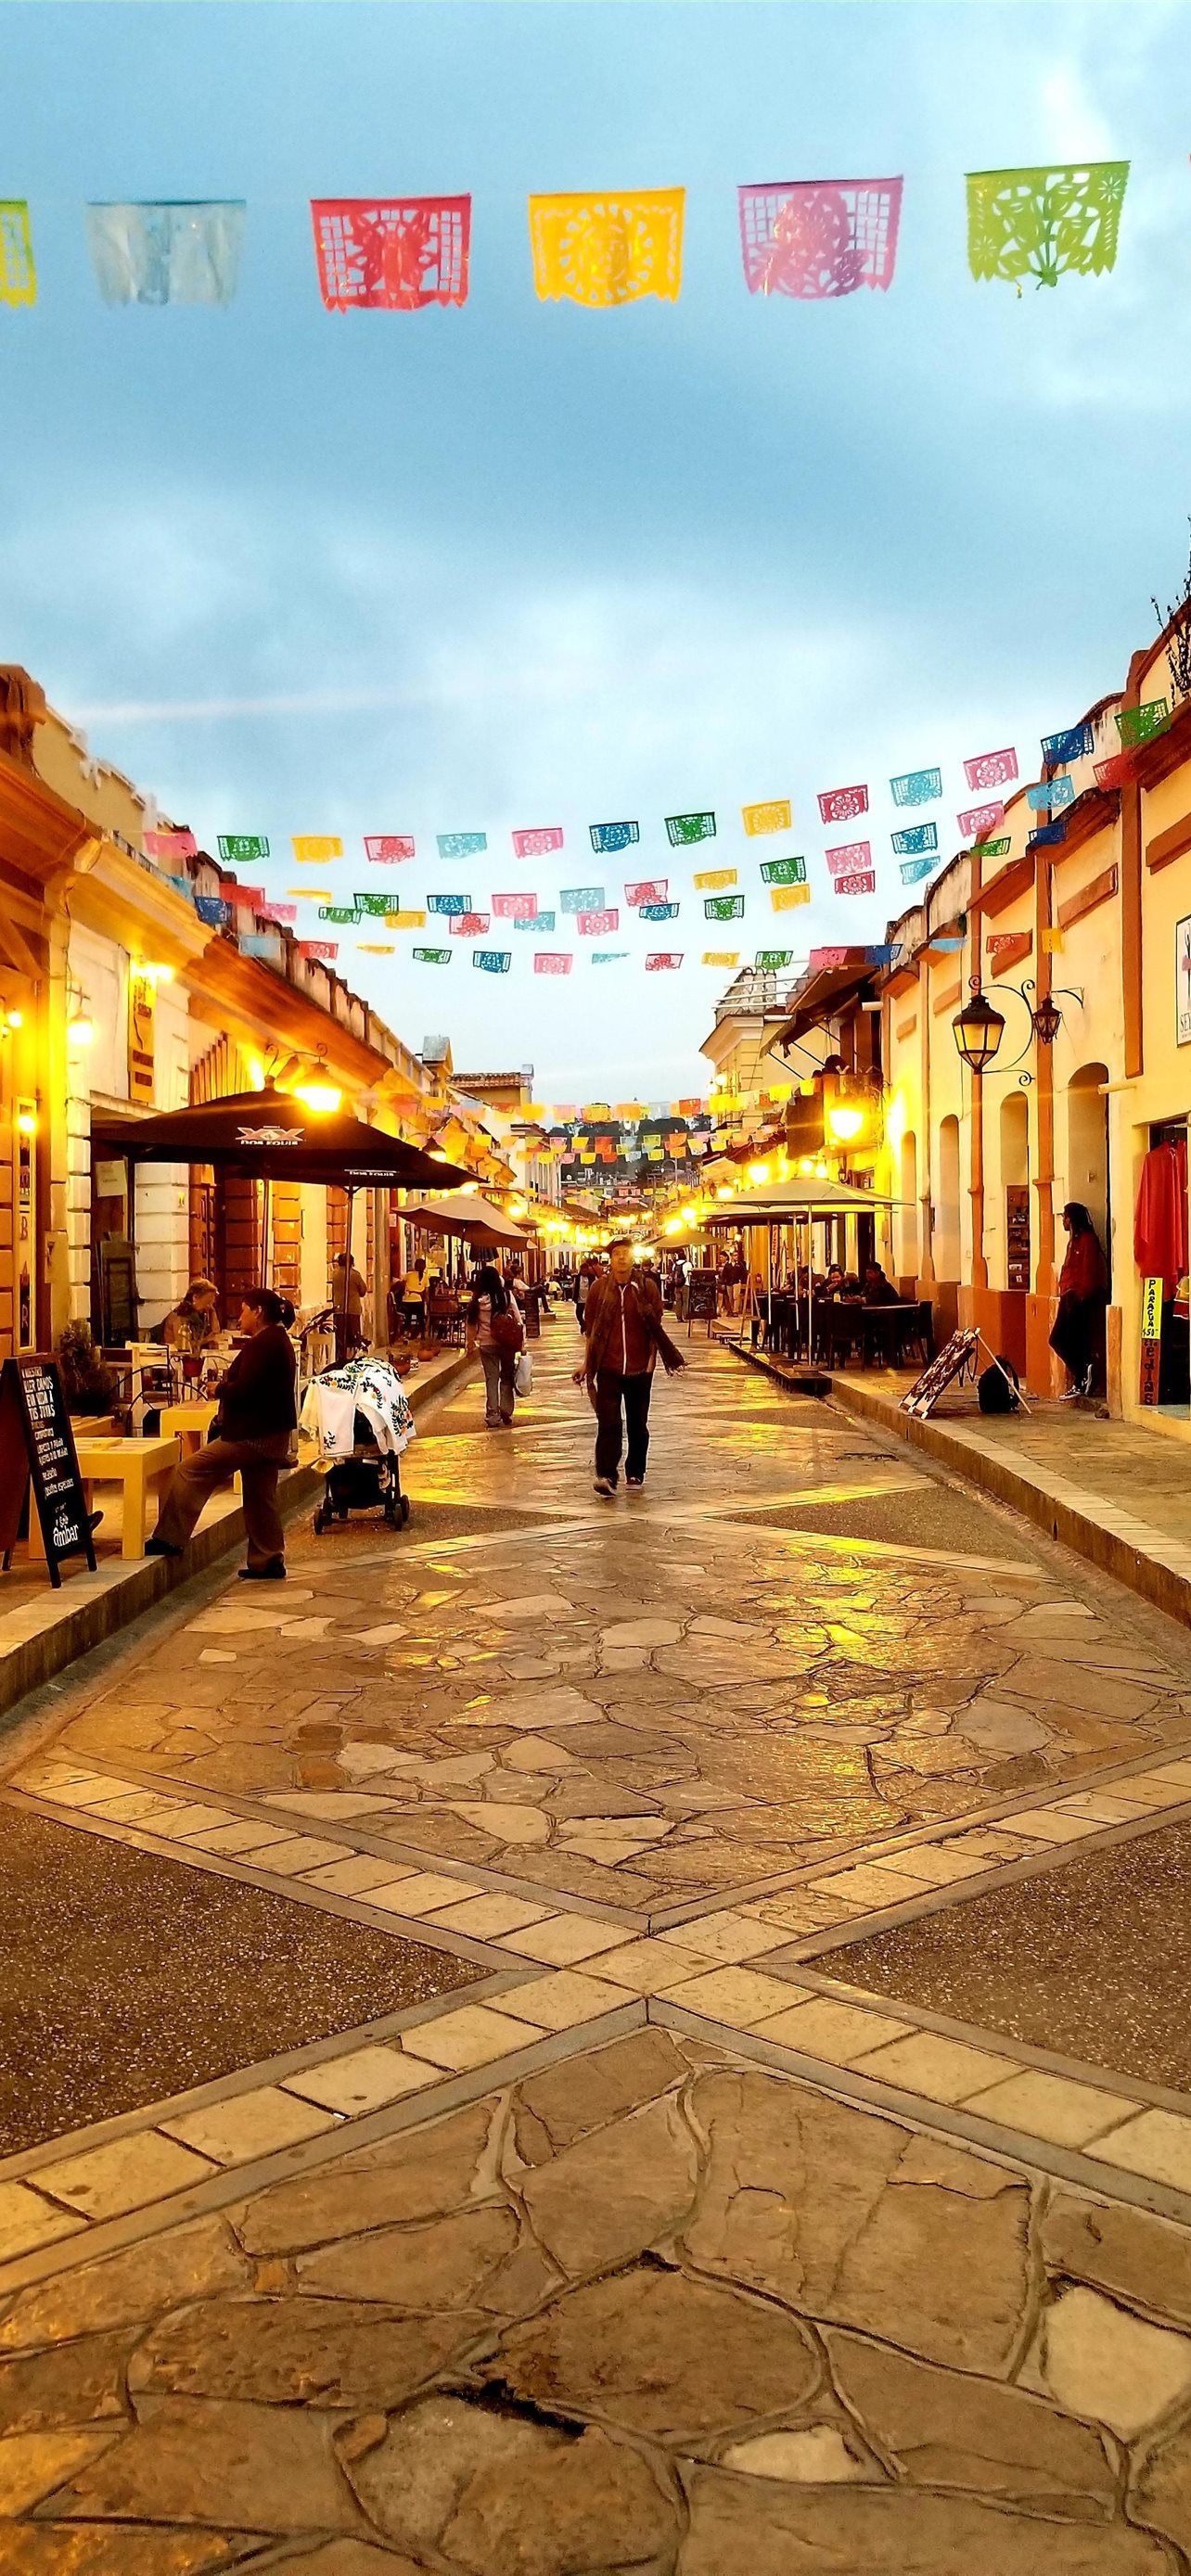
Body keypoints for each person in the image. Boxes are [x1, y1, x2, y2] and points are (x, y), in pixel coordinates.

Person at [147, 1287, 297, 1579]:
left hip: (252, 1437)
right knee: (260, 1498)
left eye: (243, 1310)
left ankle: (169, 1538)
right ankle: (268, 1560)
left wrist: (220, 1389)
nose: (239, 1317)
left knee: (190, 1469)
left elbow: (248, 1390)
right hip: (273, 1435)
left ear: (258, 1312)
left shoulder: (263, 1344)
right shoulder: (279, 1341)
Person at [574, 1238, 685, 1498]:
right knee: (608, 1422)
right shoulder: (599, 1289)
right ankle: (606, 1475)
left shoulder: (646, 1287)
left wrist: (650, 1362)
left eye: (625, 1253)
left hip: (639, 1368)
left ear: (632, 1258)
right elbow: (592, 1331)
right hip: (608, 1367)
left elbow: (655, 1327)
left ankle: (635, 1470)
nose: (621, 1258)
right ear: (610, 1260)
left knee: (637, 1423)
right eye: (616, 1254)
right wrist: (586, 1363)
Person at [1051, 1202, 1109, 1397]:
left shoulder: (1087, 1241)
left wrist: (1080, 1296)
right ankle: (1083, 1372)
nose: (1063, 1221)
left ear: (1073, 1218)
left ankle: (1083, 1374)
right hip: (1068, 1297)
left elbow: (1089, 1271)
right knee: (1060, 1339)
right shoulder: (1073, 1241)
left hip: (1078, 1299)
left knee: (1064, 1338)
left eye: (1065, 1217)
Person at [466, 1261, 522, 1428]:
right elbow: (518, 1319)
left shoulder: (477, 1300)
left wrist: (470, 1343)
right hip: (506, 1343)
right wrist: (522, 1343)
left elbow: (471, 1325)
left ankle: (492, 1415)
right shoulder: (505, 1295)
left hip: (486, 1343)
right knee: (506, 1376)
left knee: (491, 1379)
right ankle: (505, 1410)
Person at [160, 1278, 220, 1354]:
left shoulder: (200, 1315)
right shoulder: (180, 1315)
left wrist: (213, 1312)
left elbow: (216, 1332)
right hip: (176, 1357)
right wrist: (206, 1340)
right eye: (207, 1302)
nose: (209, 1306)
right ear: (195, 1297)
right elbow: (182, 1345)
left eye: (212, 1303)